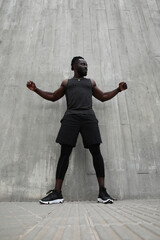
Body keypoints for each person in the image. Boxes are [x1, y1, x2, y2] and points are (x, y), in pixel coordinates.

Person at [26, 56, 127, 204]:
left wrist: (118, 89)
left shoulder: (90, 82)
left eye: (86, 64)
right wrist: (36, 89)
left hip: (88, 117)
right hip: (71, 118)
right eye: (82, 64)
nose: (85, 66)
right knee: (64, 154)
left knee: (96, 153)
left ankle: (102, 192)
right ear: (74, 66)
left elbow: (103, 96)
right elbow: (53, 96)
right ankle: (57, 193)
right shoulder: (67, 83)